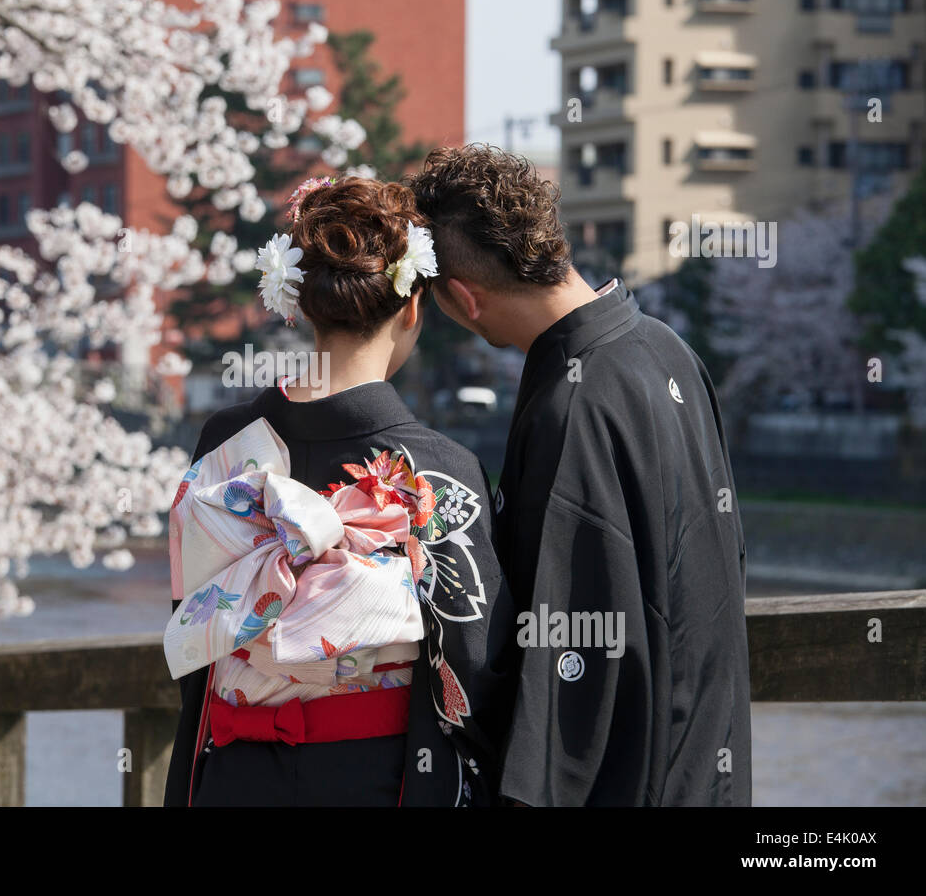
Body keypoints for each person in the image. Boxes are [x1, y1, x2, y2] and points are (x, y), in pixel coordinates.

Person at [407, 144, 752, 806]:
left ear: (459, 297)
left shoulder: (571, 406)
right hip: (708, 768)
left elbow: (564, 663)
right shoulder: (668, 349)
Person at [162, 176, 516, 806]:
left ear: (298, 305)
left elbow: (194, 624)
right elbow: (473, 667)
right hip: (375, 780)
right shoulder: (437, 468)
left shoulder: (227, 442)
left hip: (236, 776)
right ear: (411, 308)